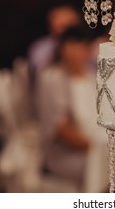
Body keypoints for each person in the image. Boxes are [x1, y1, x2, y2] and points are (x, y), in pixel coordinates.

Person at [36, 27, 97, 182]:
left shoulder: (93, 77)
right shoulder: (52, 78)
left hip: (97, 145)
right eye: (68, 46)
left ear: (88, 49)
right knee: (111, 168)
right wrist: (97, 148)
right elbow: (60, 129)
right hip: (67, 153)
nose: (72, 52)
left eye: (78, 46)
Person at [28, 5, 82, 82]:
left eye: (70, 27)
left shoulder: (88, 47)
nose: (66, 32)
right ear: (50, 26)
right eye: (62, 26)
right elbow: (40, 75)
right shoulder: (41, 48)